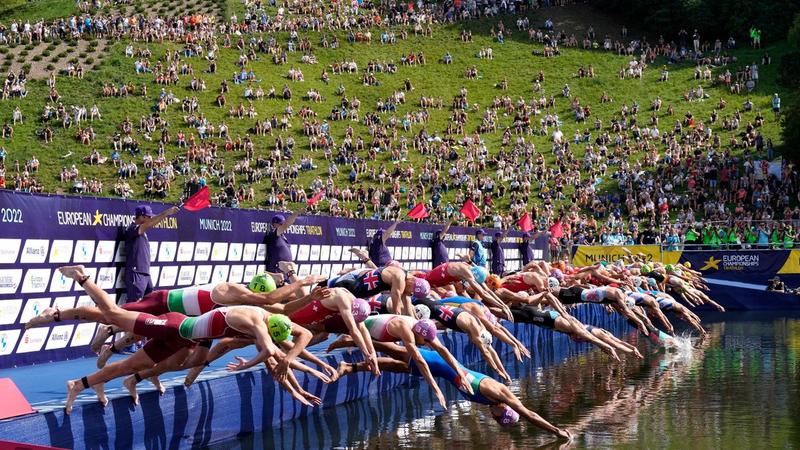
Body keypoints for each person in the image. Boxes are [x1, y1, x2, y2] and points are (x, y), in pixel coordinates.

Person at [337, 342, 572, 441]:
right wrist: (555, 431)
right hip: (442, 364)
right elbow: (530, 414)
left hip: (441, 371)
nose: (494, 419)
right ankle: (358, 340)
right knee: (400, 354)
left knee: (398, 368)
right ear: (505, 411)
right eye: (499, 419)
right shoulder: (497, 393)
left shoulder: (489, 403)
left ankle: (351, 367)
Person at [124, 205, 179, 302]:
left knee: (149, 304)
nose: (150, 219)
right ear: (141, 216)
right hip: (136, 273)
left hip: (145, 273)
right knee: (135, 306)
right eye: (148, 217)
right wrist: (166, 213)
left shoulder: (142, 231)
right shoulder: (132, 228)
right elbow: (149, 224)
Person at [264, 206, 305, 274]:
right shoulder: (273, 234)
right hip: (276, 272)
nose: (284, 226)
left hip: (285, 273)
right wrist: (297, 213)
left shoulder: (282, 236)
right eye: (281, 224)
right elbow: (287, 224)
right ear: (275, 224)